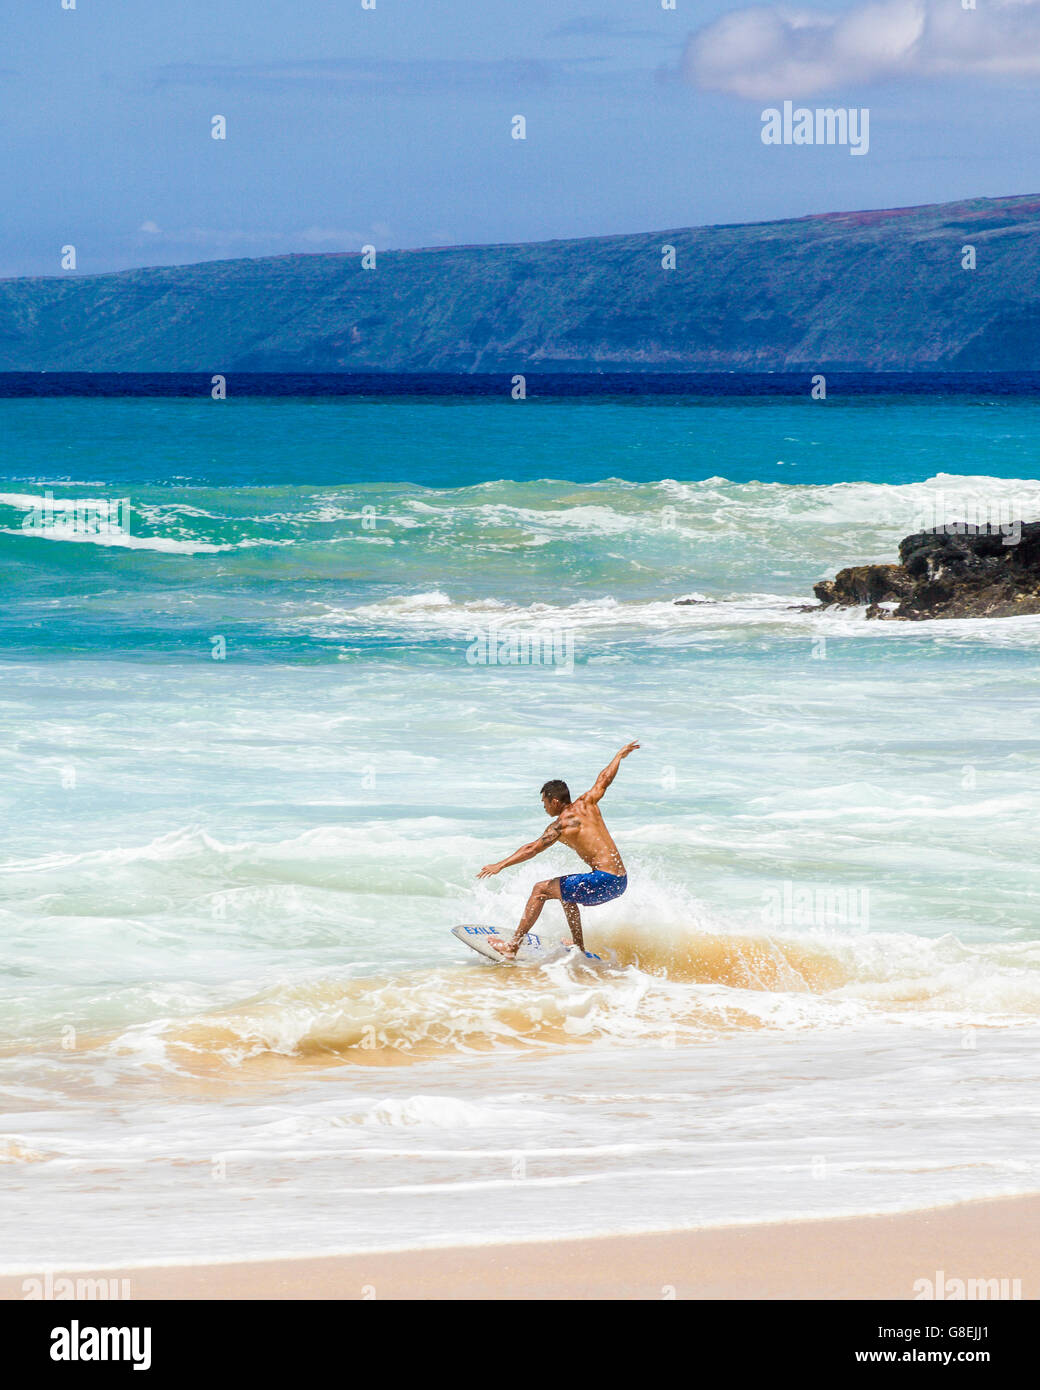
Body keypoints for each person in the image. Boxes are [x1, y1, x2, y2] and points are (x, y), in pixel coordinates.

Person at [476, 742, 639, 959]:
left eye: (544, 802)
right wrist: (619, 755)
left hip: (603, 880)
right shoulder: (587, 802)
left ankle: (512, 947)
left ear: (554, 801)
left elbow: (532, 849)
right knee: (564, 892)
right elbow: (604, 779)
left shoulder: (561, 826)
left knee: (540, 890)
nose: (544, 807)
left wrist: (500, 865)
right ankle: (579, 948)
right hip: (620, 882)